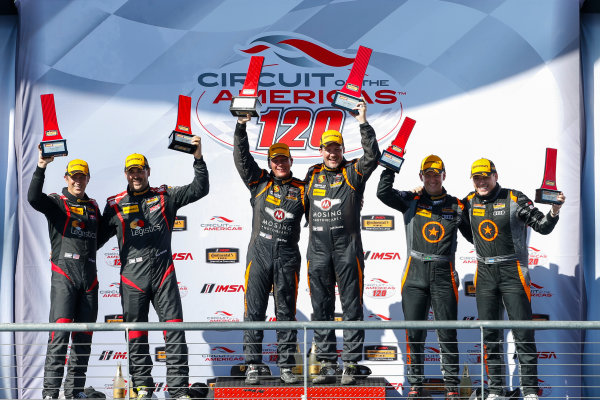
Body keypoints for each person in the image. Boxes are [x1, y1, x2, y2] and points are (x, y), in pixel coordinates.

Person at [99, 136, 208, 400]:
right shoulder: (114, 204)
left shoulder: (164, 196)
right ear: (127, 174)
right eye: (131, 171)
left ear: (148, 171)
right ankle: (143, 388)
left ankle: (179, 389)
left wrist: (198, 158)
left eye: (140, 170)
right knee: (136, 335)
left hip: (163, 273)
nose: (136, 175)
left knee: (175, 330)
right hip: (132, 277)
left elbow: (199, 189)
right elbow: (94, 239)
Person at [464, 158, 565, 400]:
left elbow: (542, 227)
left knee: (523, 333)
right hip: (485, 273)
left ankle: (530, 391)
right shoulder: (468, 201)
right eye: (477, 178)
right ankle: (496, 391)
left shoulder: (514, 197)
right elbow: (455, 221)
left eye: (485, 177)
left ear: (495, 176)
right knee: (490, 335)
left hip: (513, 271)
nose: (481, 182)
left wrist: (554, 210)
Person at [377, 155, 472, 400]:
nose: (432, 178)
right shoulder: (411, 200)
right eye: (427, 174)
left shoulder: (458, 205)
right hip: (415, 274)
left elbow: (476, 236)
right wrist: (390, 164)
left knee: (447, 332)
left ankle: (451, 386)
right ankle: (416, 386)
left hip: (444, 274)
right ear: (421, 176)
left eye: (436, 174)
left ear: (444, 175)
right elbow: (383, 192)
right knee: (414, 333)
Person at [304, 100, 380, 385]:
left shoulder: (353, 173)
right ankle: (325, 363)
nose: (333, 153)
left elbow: (372, 156)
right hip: (318, 252)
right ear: (321, 150)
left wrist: (362, 121)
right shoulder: (311, 175)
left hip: (348, 250)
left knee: (351, 306)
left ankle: (349, 362)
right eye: (328, 148)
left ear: (342, 150)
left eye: (337, 148)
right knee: (320, 307)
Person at [233, 114, 306, 385]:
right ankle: (253, 364)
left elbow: (330, 200)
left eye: (284, 159)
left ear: (290, 161)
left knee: (285, 312)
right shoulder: (259, 182)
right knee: (254, 310)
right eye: (275, 160)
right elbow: (242, 158)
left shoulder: (303, 189)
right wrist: (241, 126)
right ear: (269, 163)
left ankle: (286, 365)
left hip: (287, 255)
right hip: (259, 253)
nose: (280, 163)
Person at [28, 150, 101, 400]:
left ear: (88, 179)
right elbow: (33, 198)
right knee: (59, 337)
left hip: (89, 279)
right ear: (67, 177)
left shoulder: (93, 206)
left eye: (83, 177)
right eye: (74, 176)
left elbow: (97, 238)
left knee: (84, 339)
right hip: (64, 277)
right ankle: (50, 393)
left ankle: (75, 391)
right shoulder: (57, 201)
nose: (78, 181)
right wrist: (40, 167)